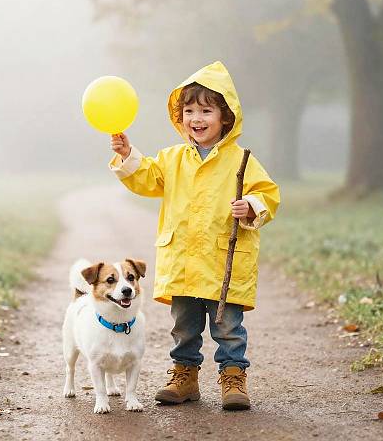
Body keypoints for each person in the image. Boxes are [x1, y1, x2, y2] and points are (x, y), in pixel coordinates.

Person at [109, 61, 279, 410]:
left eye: (206, 110)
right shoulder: (172, 159)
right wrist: (128, 155)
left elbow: (268, 194)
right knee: (184, 327)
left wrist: (250, 206)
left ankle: (233, 377)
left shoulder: (241, 159)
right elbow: (146, 178)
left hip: (223, 263)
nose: (196, 118)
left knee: (229, 328)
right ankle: (184, 375)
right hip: (184, 263)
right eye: (189, 111)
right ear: (180, 116)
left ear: (225, 118)